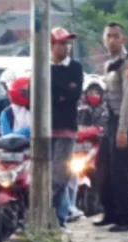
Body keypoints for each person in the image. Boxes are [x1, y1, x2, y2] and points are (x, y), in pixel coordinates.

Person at [96, 22, 128, 233]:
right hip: (110, 119)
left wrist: (123, 128)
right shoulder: (109, 64)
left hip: (124, 120)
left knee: (120, 170)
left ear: (124, 39)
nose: (112, 40)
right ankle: (111, 212)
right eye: (108, 36)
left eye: (116, 36)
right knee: (103, 168)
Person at [50, 27, 83, 226]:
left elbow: (74, 94)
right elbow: (39, 94)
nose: (65, 47)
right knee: (44, 175)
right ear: (51, 45)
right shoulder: (42, 67)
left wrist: (55, 88)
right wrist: (62, 90)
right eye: (61, 43)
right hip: (44, 130)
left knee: (61, 175)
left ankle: (59, 218)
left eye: (67, 43)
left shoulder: (75, 67)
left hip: (66, 128)